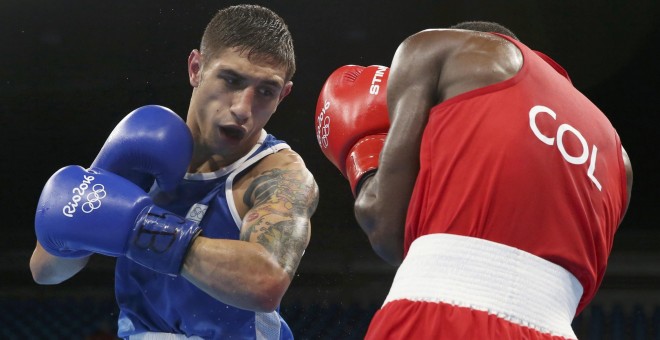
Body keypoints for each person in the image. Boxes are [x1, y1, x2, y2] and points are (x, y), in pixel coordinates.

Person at [315, 21, 632, 339]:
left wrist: (364, 156)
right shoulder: (620, 159)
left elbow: (388, 231)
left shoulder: (438, 48)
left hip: (436, 316)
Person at [30, 4, 319, 339]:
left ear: (283, 95)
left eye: (266, 91)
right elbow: (46, 271)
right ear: (196, 68)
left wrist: (141, 228)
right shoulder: (141, 150)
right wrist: (100, 183)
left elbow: (265, 283)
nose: (243, 108)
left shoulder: (279, 175)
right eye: (231, 80)